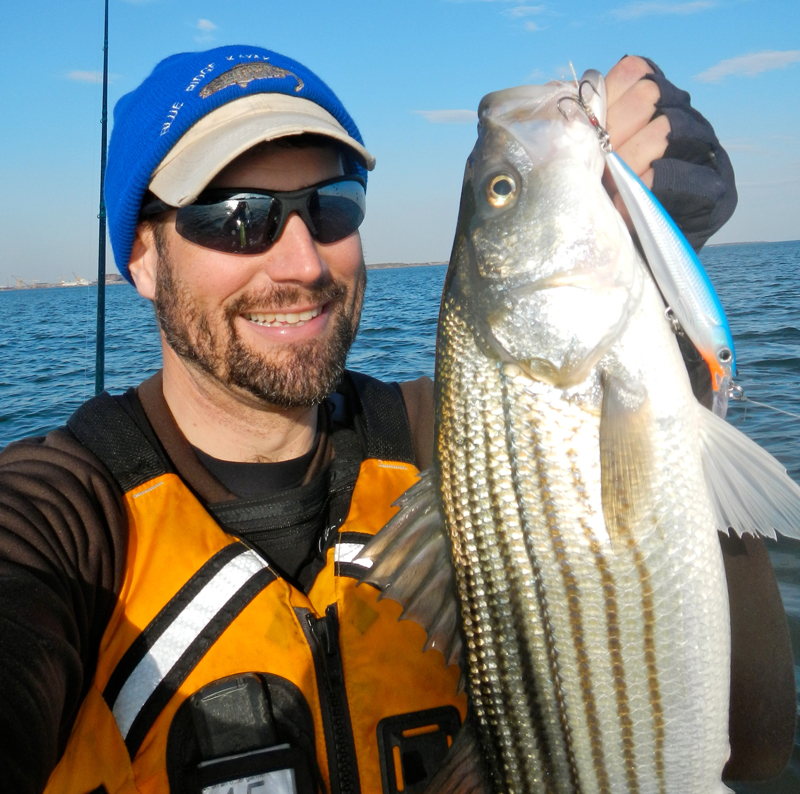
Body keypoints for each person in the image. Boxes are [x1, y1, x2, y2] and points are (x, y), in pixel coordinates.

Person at [0, 44, 793, 794]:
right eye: (237, 215)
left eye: (332, 205)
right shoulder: (60, 521)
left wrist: (670, 315)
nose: (302, 261)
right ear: (141, 253)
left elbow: (756, 741)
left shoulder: (449, 440)